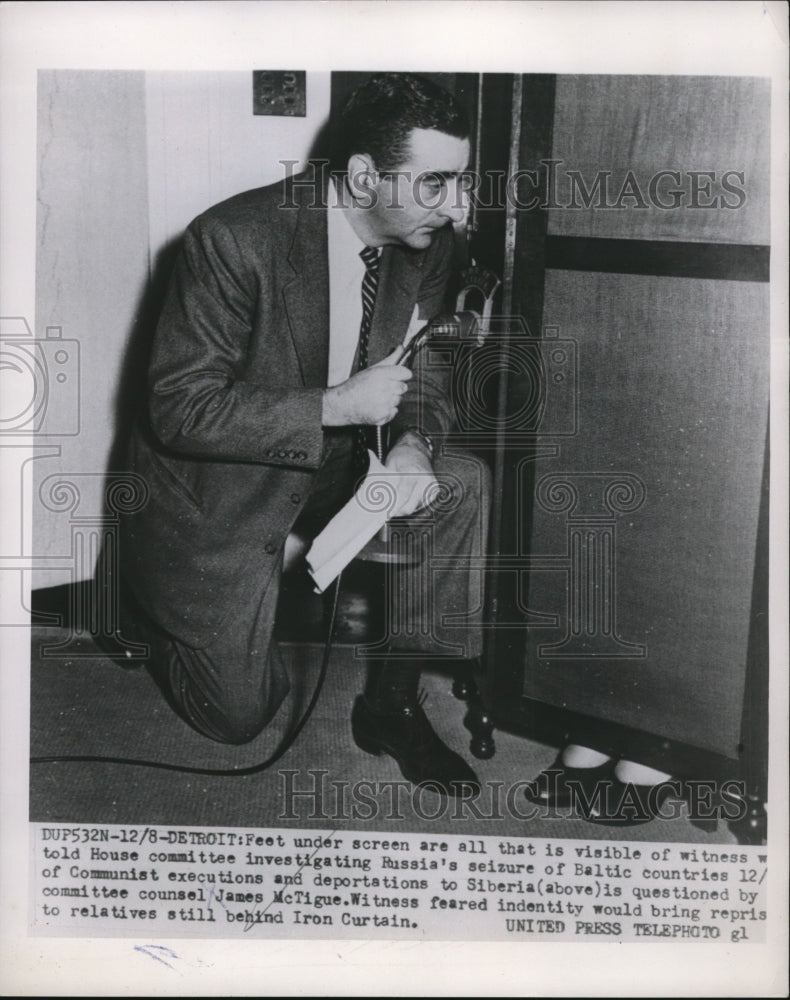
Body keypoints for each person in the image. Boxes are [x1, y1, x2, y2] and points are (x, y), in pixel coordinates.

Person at [117, 73, 491, 799]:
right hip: (224, 492)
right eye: (437, 182)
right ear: (361, 177)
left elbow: (430, 369)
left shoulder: (425, 244)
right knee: (239, 718)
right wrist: (334, 406)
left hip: (339, 468)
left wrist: (414, 443)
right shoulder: (232, 240)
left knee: (461, 482)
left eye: (461, 181)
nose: (456, 207)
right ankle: (153, 614)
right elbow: (177, 408)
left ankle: (391, 704)